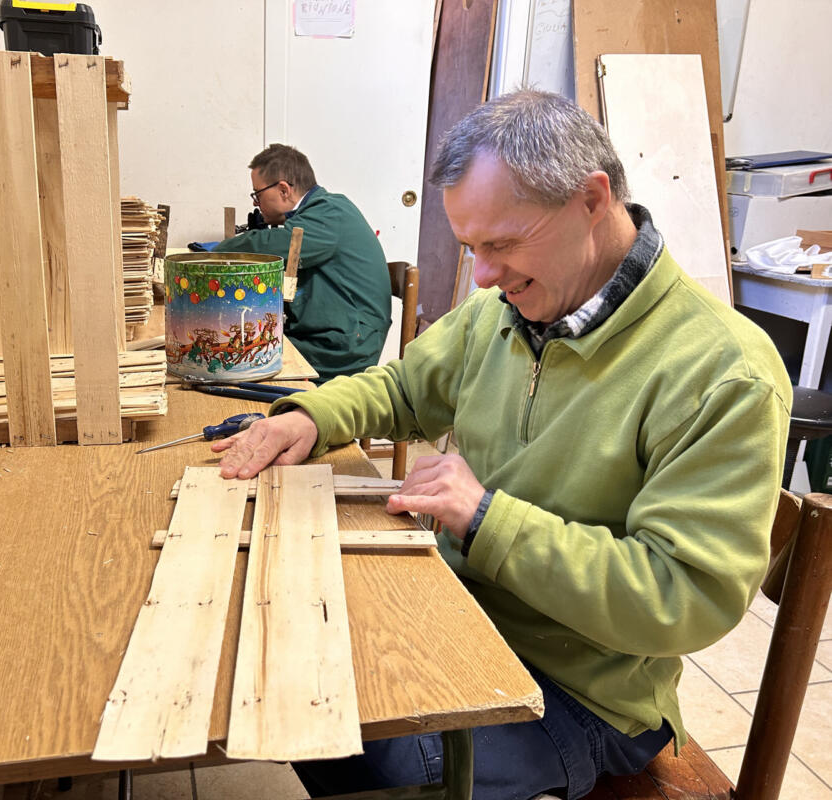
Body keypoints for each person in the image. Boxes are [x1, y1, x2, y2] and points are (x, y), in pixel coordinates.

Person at [212, 90, 792, 799]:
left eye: (502, 243)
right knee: (293, 650)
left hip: (584, 695)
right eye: (470, 248)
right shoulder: (502, 309)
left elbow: (684, 598)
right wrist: (308, 417)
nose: (482, 275)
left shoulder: (720, 370)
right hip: (467, 616)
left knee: (349, 734)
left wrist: (487, 518)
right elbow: (401, 390)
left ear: (591, 199)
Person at [215, 144, 392, 383]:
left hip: (345, 346)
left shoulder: (330, 211)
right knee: (236, 347)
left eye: (258, 194)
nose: (256, 203)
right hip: (338, 333)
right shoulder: (319, 212)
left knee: (237, 360)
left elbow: (276, 244)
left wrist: (216, 252)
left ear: (284, 189)